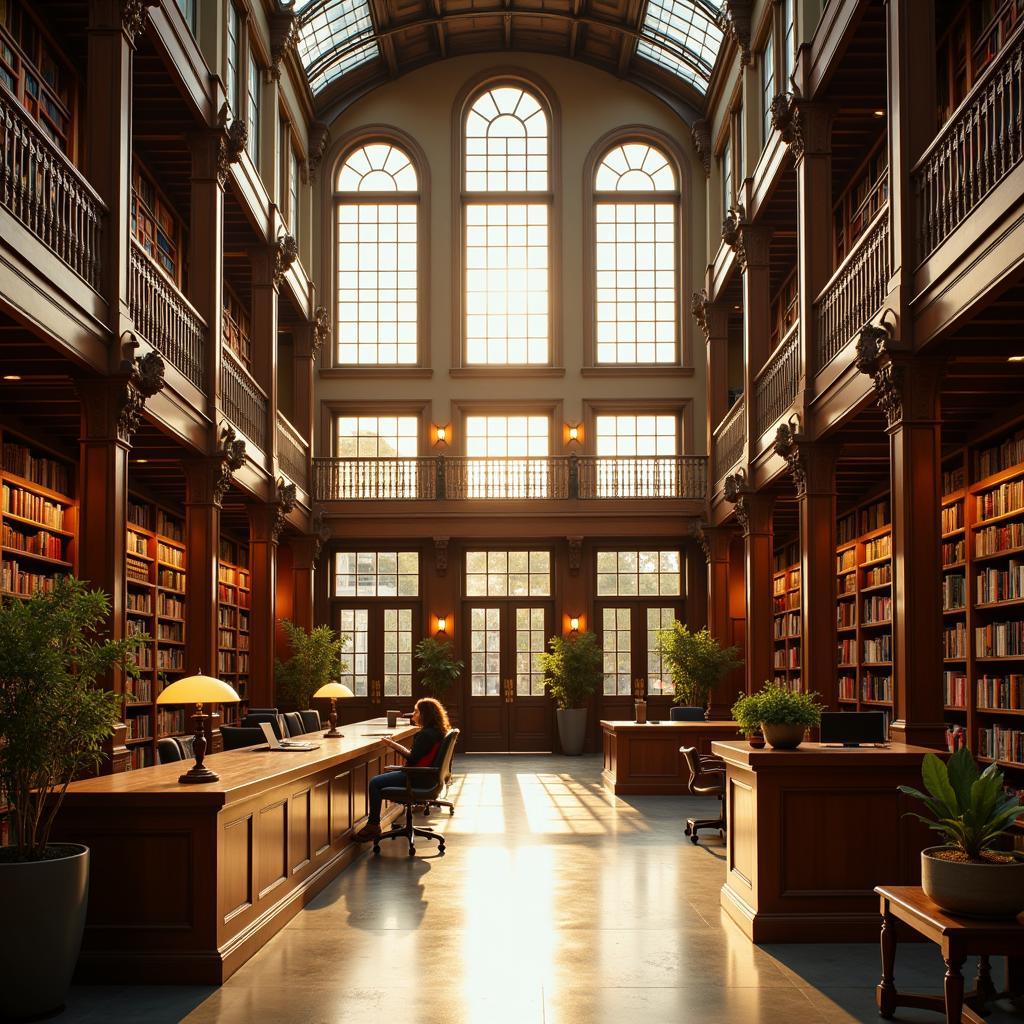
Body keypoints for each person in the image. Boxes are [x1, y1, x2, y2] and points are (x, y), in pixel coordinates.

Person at [353, 697, 450, 842]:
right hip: (428, 778)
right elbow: (415, 756)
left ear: (425, 714)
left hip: (417, 778)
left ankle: (373, 825)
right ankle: (373, 824)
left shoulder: (425, 735)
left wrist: (392, 745)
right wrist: (394, 743)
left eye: (416, 711)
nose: (413, 714)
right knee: (383, 777)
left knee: (374, 783)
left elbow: (412, 758)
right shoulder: (437, 731)